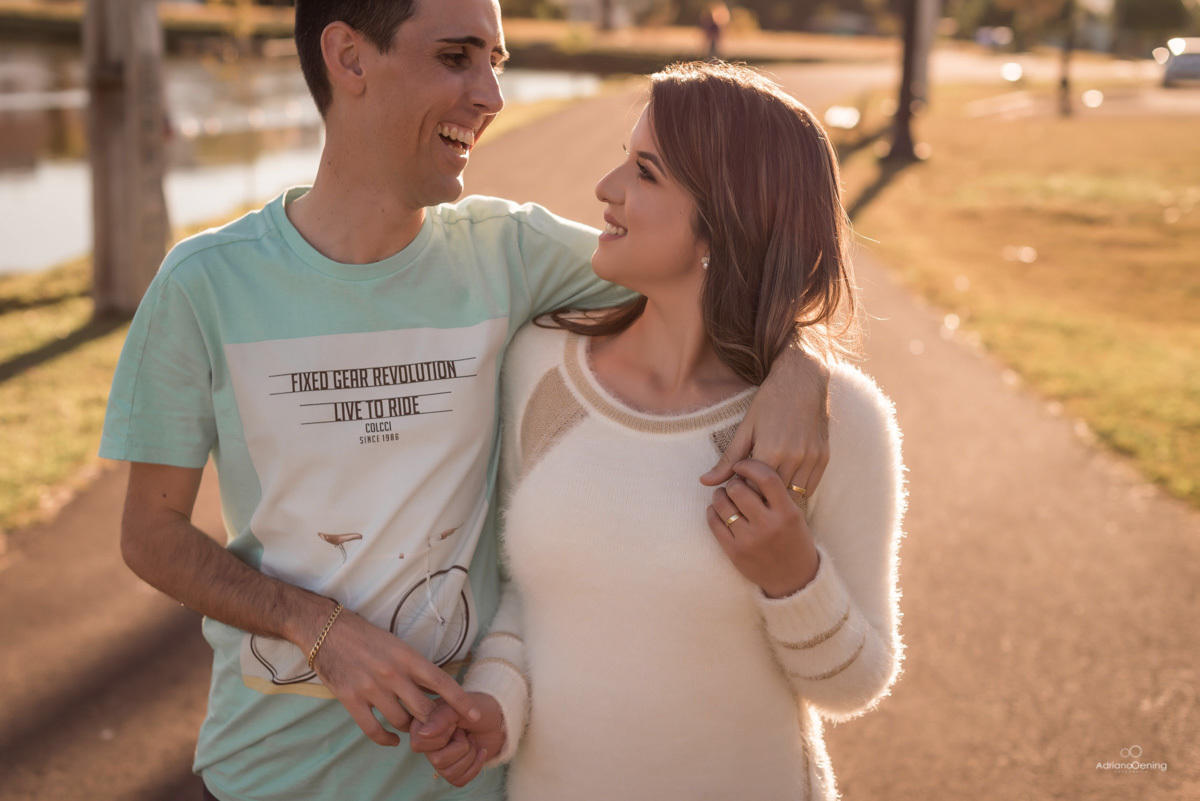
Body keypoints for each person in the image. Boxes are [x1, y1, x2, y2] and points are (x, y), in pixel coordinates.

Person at [99, 2, 832, 800]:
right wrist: (317, 627)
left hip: (461, 777)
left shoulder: (508, 253)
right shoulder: (205, 284)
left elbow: (704, 262)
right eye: (456, 57)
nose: (491, 94)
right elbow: (151, 532)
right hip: (267, 773)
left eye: (498, 61)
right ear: (348, 58)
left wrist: (798, 358)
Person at [412, 62, 906, 799]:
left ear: (729, 217)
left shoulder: (837, 422)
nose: (606, 188)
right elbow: (526, 596)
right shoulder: (539, 365)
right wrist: (496, 704)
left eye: (645, 172)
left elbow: (856, 682)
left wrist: (792, 575)